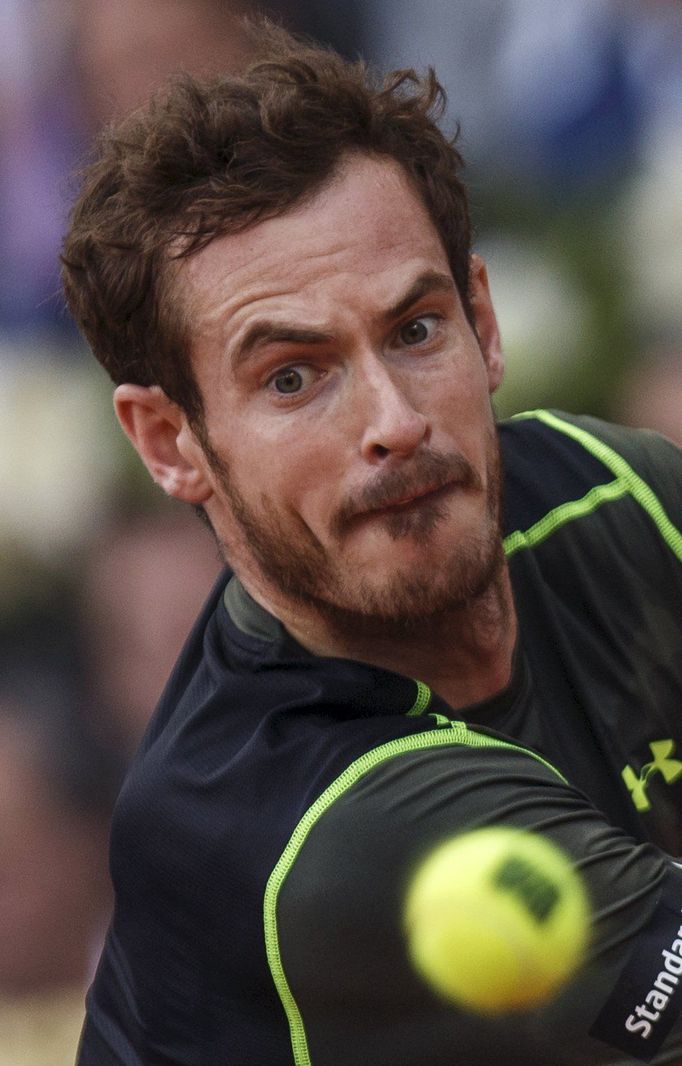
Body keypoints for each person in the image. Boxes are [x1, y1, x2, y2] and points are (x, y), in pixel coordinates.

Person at [61, 20, 682, 1066]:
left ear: (483, 324)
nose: (393, 418)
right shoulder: (303, 824)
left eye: (414, 330)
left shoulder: (608, 490)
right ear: (172, 443)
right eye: (293, 377)